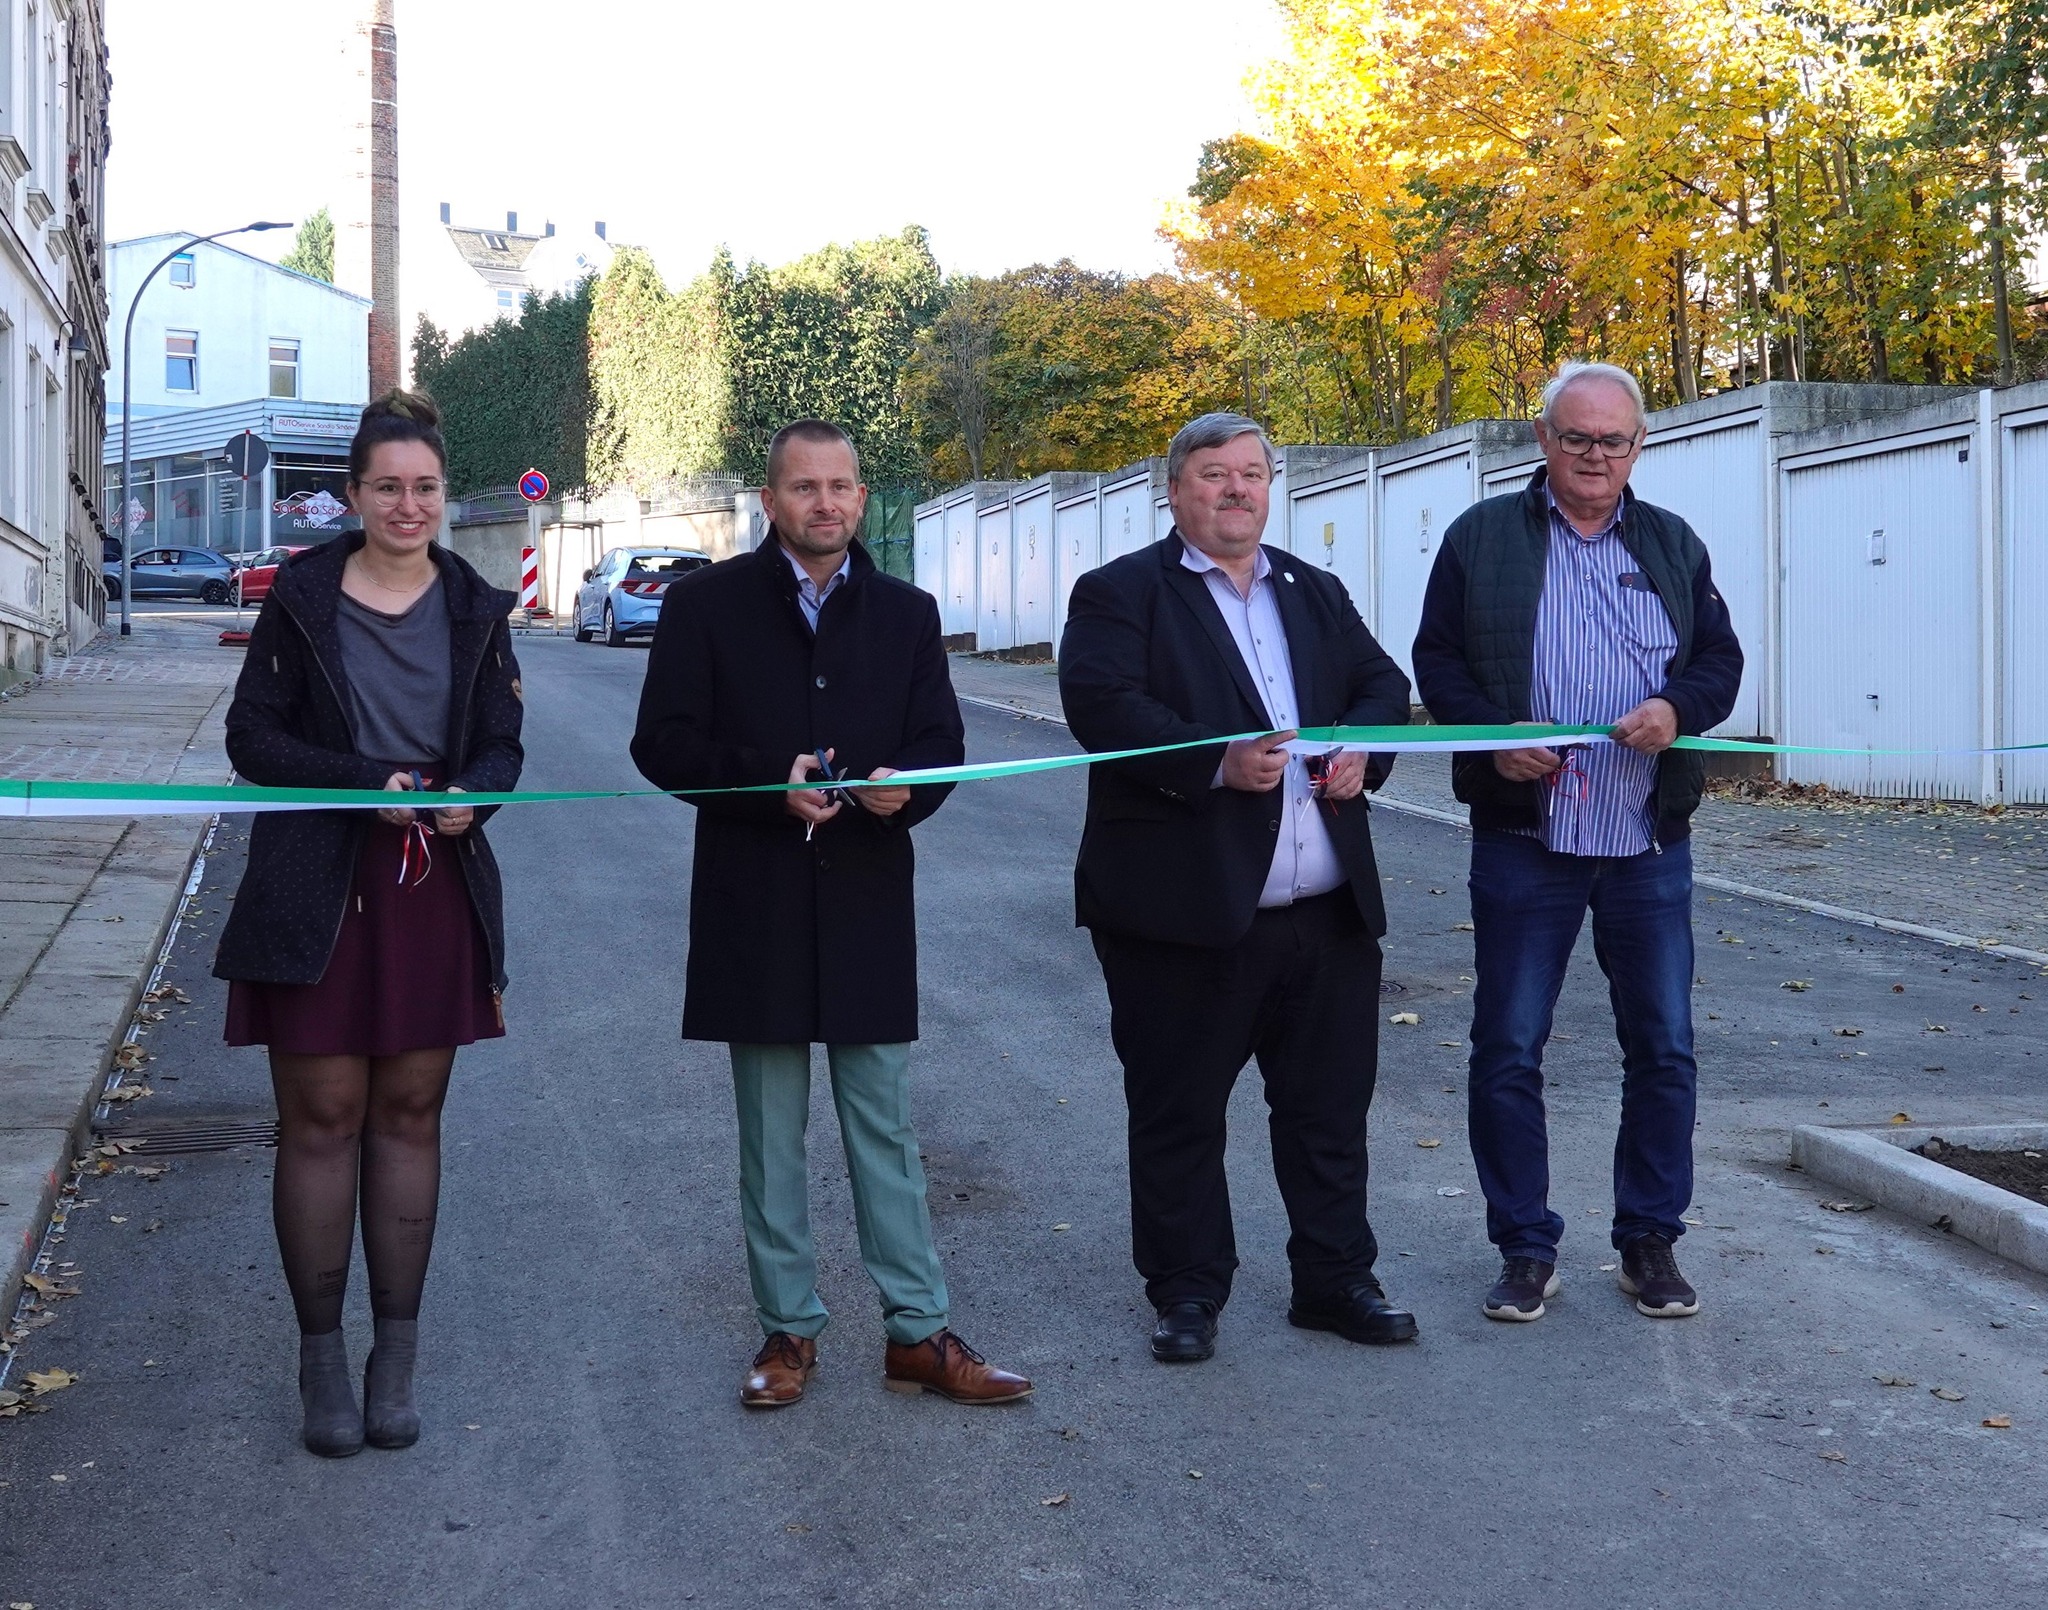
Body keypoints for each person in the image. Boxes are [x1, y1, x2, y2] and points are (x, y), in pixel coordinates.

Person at [631, 419, 1030, 1410]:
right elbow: (662, 744)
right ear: (769, 500)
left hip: (862, 902)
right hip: (750, 901)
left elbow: (939, 739)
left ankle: (917, 1329)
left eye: (841, 485)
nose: (826, 503)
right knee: (768, 1134)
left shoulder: (905, 612)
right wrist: (764, 782)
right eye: (804, 486)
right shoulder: (704, 605)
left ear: (859, 495)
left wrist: (910, 787)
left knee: (883, 1126)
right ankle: (787, 1330)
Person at [1058, 411, 1418, 1364]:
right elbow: (1100, 703)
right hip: (1184, 914)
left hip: (1327, 911)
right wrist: (1213, 762)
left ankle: (1335, 1281)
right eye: (1213, 475)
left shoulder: (1313, 589)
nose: (1235, 490)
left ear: (1271, 486)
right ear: (1174, 491)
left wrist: (1359, 750)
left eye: (1252, 474)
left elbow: (1384, 686)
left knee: (1329, 1111)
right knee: (1179, 1112)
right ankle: (1186, 1293)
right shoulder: (1119, 593)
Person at [213, 390, 524, 1457]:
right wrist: (362, 781)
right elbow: (251, 739)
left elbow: (500, 746)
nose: (407, 503)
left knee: (408, 1116)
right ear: (353, 495)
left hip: (428, 884)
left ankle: (394, 1359)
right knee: (322, 1118)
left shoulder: (480, 605)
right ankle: (319, 1364)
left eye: (424, 487)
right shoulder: (300, 596)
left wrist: (470, 793)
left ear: (442, 495)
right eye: (386, 486)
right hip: (313, 884)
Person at [1411, 360, 1743, 1324]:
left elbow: (1720, 663)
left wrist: (1678, 708)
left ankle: (1650, 1240)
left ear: (1638, 447)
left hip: (1647, 838)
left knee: (1665, 1048)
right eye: (1576, 437)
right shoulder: (1481, 538)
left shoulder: (1673, 544)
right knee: (1509, 1047)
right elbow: (1437, 659)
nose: (1595, 455)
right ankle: (1524, 1246)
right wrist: (1494, 736)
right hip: (1526, 837)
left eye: (1614, 440)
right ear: (1543, 441)